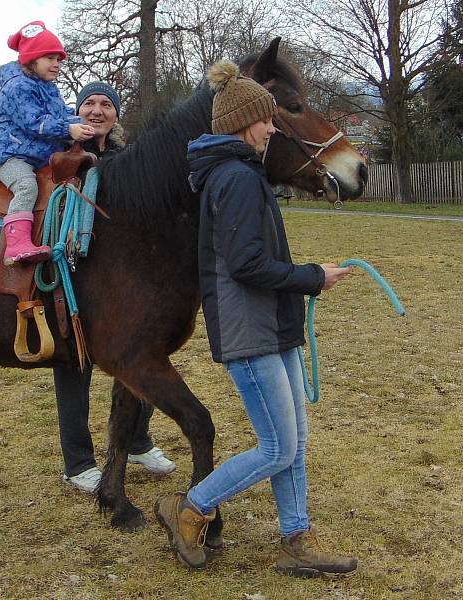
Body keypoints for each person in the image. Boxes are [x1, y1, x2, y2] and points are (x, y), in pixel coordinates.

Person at [153, 59, 356, 577]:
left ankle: (296, 536)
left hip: (271, 324)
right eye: (266, 119)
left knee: (294, 443)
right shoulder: (236, 178)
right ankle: (190, 506)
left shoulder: (239, 174)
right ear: (244, 123)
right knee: (277, 446)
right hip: (253, 332)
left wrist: (304, 278)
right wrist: (313, 277)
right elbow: (246, 265)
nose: (272, 127)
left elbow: (251, 257)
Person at [56, 81, 176, 494]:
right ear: (77, 111)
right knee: (75, 364)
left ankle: (138, 440)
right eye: (89, 102)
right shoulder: (59, 154)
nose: (96, 110)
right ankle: (77, 462)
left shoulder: (130, 158)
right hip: (71, 275)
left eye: (106, 104)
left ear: (116, 115)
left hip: (122, 280)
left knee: (139, 356)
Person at [0, 20, 94, 266]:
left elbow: (60, 113)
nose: (57, 64)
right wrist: (69, 129)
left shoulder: (49, 88)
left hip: (35, 155)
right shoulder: (17, 88)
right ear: (31, 60)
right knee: (26, 186)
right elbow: (35, 122)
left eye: (59, 59)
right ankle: (16, 244)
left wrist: (82, 121)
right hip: (11, 155)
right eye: (50, 58)